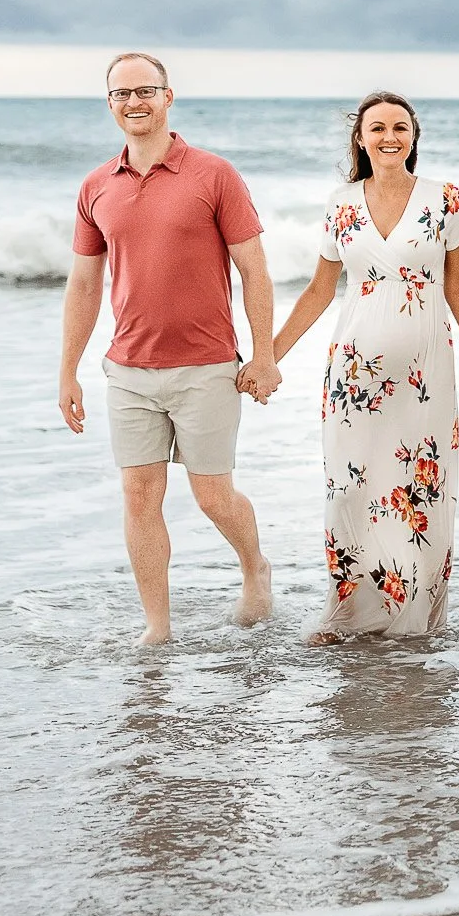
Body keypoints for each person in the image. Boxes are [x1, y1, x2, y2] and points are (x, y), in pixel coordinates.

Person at [58, 51, 277, 645]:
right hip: (128, 370)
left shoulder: (214, 174)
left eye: (146, 91)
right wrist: (68, 371)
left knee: (212, 496)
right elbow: (83, 283)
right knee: (138, 493)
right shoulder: (96, 187)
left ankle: (254, 567)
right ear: (110, 104)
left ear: (168, 96)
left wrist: (263, 355)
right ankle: (158, 626)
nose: (135, 102)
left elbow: (253, 269)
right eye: (122, 94)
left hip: (207, 367)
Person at [267, 93, 459, 639]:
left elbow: (457, 284)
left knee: (418, 485)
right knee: (350, 485)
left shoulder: (445, 199)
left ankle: (415, 613)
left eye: (400, 127)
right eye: (378, 128)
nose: (390, 136)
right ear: (361, 139)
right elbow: (321, 289)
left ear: (413, 137)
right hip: (354, 371)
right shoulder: (340, 203)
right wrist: (269, 355)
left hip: (425, 375)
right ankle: (349, 613)